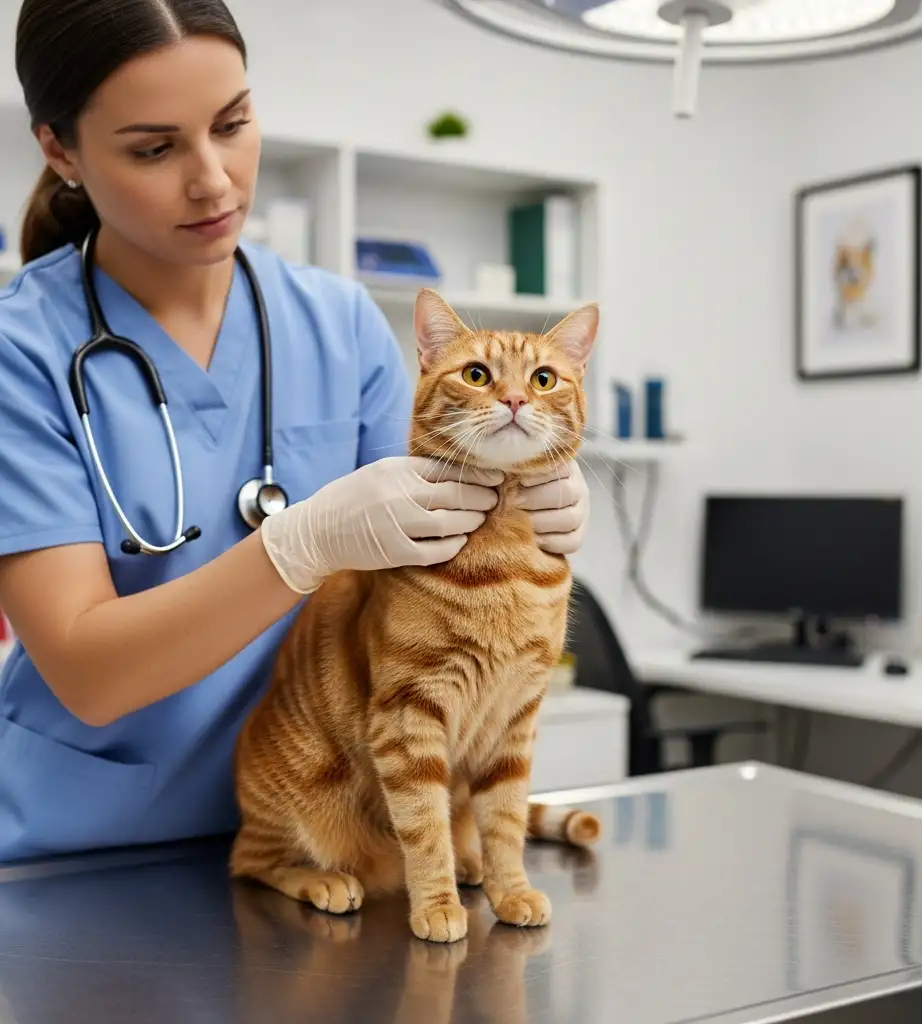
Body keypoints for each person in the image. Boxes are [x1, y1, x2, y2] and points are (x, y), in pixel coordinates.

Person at [0, 0, 591, 864]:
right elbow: (88, 674)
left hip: (326, 821)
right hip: (89, 849)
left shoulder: (337, 322)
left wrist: (521, 487)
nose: (215, 180)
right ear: (60, 150)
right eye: (154, 148)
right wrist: (297, 545)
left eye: (233, 123)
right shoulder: (21, 349)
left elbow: (419, 584)